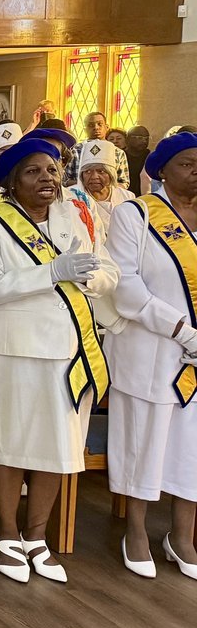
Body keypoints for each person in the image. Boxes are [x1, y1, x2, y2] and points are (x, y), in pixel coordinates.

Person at [0, 135, 117, 584]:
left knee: (57, 446)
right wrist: (52, 272)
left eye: (52, 170)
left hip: (70, 349)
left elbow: (108, 269)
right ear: (12, 182)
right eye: (34, 171)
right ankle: (7, 532)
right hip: (15, 348)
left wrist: (92, 279)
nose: (47, 178)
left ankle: (37, 537)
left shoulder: (75, 214)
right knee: (12, 443)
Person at [105, 133, 197, 577]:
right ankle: (137, 529)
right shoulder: (135, 215)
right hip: (151, 348)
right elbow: (126, 288)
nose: (196, 169)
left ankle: (181, 536)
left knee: (192, 446)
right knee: (143, 440)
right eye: (186, 163)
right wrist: (183, 331)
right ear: (162, 169)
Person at [76, 138, 132, 224]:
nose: (94, 177)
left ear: (111, 174)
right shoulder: (73, 197)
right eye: (88, 171)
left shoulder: (127, 197)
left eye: (101, 171)